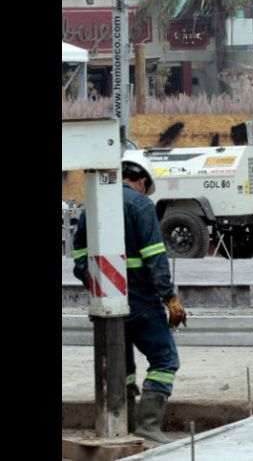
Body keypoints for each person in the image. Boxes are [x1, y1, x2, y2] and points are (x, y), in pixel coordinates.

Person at [72, 155, 187, 443]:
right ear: (143, 181)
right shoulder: (141, 204)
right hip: (142, 302)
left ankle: (123, 423)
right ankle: (148, 426)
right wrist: (170, 298)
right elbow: (154, 257)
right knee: (165, 360)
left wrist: (100, 286)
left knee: (121, 367)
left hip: (108, 306)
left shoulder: (93, 204)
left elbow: (78, 260)